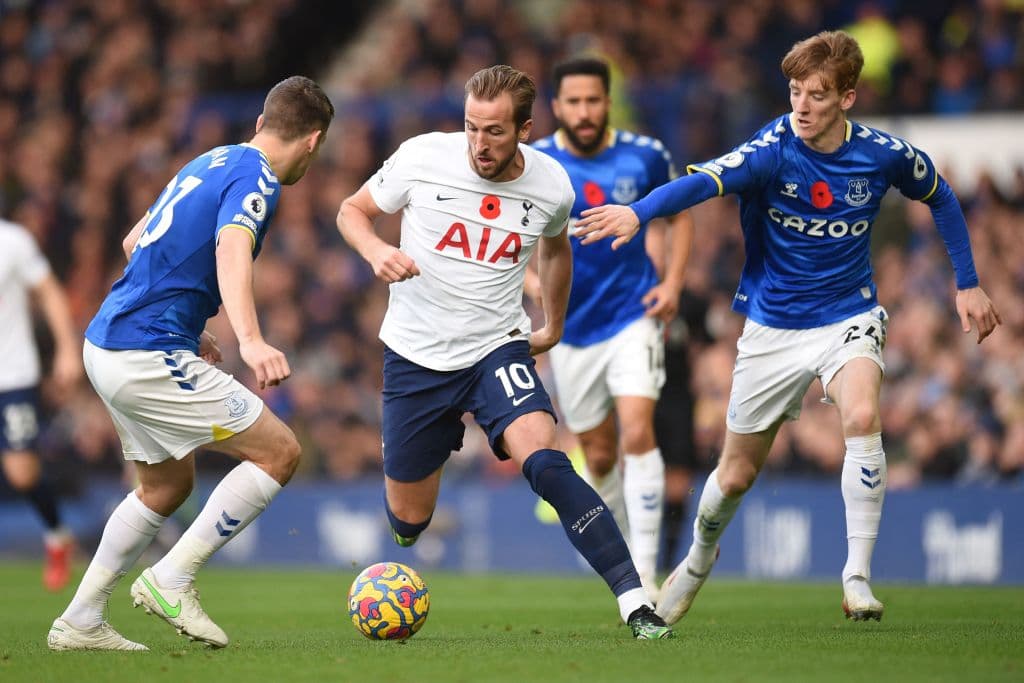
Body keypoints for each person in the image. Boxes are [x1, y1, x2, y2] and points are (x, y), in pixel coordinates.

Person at [574, 31, 1001, 625]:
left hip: (849, 314)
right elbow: (701, 183)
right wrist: (638, 211)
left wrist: (967, 281)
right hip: (771, 330)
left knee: (861, 416)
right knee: (736, 474)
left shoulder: (882, 154)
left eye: (817, 95)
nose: (800, 106)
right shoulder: (772, 149)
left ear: (847, 98)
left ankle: (856, 577)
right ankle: (697, 559)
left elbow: (943, 195)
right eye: (795, 92)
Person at [336, 64, 672, 640]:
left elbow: (557, 250)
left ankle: (635, 600)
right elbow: (352, 210)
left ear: (524, 128)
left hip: (496, 348)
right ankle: (410, 516)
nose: (479, 144)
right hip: (415, 357)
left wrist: (554, 324)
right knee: (408, 523)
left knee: (543, 457)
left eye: (494, 131)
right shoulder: (422, 157)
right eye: (471, 128)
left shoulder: (550, 183)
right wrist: (374, 251)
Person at [48, 75, 334, 651]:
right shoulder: (259, 179)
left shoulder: (212, 158)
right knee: (280, 452)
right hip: (144, 348)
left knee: (166, 484)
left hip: (107, 342)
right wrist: (249, 340)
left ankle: (79, 619)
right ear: (313, 143)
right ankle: (171, 577)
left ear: (260, 122)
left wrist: (191, 323)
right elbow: (231, 244)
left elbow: (135, 241)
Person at [532, 57, 694, 600]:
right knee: (598, 456)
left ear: (607, 102)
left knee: (639, 429)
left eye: (593, 100)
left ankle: (644, 572)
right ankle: (622, 555)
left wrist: (671, 283)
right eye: (573, 102)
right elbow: (512, 228)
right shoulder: (535, 162)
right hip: (571, 329)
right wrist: (534, 286)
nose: (584, 111)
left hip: (633, 314)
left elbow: (681, 211)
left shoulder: (644, 155)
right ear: (557, 107)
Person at [0, 218, 82, 591]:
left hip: (11, 375)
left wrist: (67, 349)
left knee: (22, 473)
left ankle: (57, 536)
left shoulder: (12, 240)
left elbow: (49, 291)